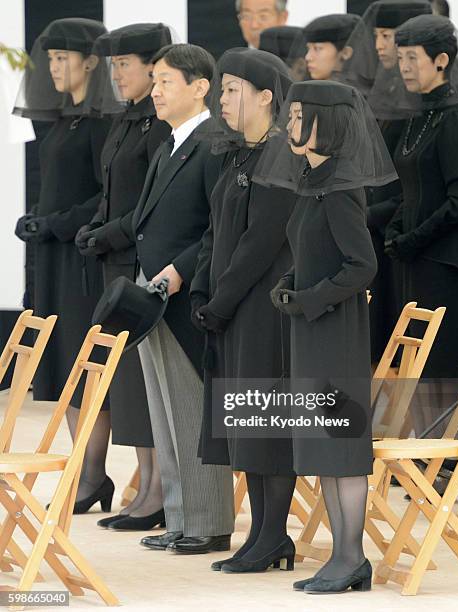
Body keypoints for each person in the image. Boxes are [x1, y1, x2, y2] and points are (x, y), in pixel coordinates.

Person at [254, 79, 397, 593]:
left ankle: (352, 556)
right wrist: (289, 285)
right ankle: (342, 555)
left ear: (326, 123)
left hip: (334, 332)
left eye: (297, 116)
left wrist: (310, 298)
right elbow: (309, 253)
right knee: (322, 443)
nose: (289, 124)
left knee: (341, 447)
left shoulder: (340, 188)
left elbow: (363, 266)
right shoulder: (313, 181)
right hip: (311, 328)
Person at [190, 48, 297, 573]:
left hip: (263, 309)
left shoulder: (281, 156)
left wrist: (221, 300)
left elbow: (261, 244)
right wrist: (202, 291)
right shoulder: (239, 153)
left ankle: (274, 535)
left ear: (266, 98)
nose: (222, 98)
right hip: (233, 306)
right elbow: (216, 229)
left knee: (267, 422)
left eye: (231, 89)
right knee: (247, 422)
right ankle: (261, 534)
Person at [130, 43, 234, 554]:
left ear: (200, 86)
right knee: (164, 413)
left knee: (192, 410)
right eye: (154, 81)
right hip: (153, 296)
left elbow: (220, 226)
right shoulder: (169, 142)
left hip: (184, 292)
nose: (155, 91)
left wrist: (181, 270)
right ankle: (179, 516)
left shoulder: (213, 141)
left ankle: (209, 522)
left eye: (165, 81)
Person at [13, 18, 114, 511]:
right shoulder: (61, 119)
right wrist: (35, 221)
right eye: (48, 58)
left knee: (84, 364)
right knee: (65, 368)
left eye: (62, 58)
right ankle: (86, 471)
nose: (53, 67)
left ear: (89, 62)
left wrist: (54, 224)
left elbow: (104, 195)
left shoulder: (99, 121)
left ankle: (92, 475)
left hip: (80, 259)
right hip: (54, 256)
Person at [75, 23, 172, 531]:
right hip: (115, 261)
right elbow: (110, 193)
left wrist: (106, 233)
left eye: (124, 66)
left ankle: (157, 490)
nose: (117, 76)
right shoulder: (124, 120)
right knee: (126, 384)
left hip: (140, 262)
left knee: (141, 380)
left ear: (154, 67)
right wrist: (93, 227)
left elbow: (148, 207)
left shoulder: (157, 124)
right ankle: (145, 483)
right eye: (112, 66)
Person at [338, 0, 432, 363]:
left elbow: (416, 181)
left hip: (403, 234)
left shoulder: (426, 99)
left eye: (388, 36)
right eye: (376, 35)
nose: (379, 45)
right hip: (373, 230)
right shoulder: (385, 90)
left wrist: (372, 214)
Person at [383, 14, 458, 439]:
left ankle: (448, 466)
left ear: (442, 61)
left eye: (413, 58)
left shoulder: (454, 119)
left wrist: (413, 238)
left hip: (443, 265)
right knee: (417, 367)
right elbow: (406, 190)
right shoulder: (417, 117)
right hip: (413, 262)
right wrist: (397, 232)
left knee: (444, 364)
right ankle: (426, 462)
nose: (405, 67)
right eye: (401, 58)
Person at [303, 13, 361, 81]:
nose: (308, 57)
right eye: (308, 48)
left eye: (318, 48)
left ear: (346, 53)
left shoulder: (359, 91)